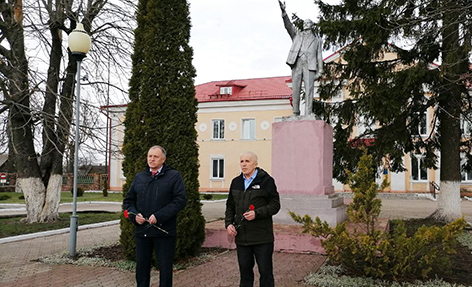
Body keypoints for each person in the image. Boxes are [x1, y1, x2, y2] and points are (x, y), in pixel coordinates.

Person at [124, 145, 186, 287]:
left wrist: (159, 216)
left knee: (165, 270)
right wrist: (134, 216)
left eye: (155, 156)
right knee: (141, 269)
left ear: (163, 159)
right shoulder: (140, 177)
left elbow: (179, 201)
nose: (151, 159)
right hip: (142, 232)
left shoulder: (174, 176)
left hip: (164, 232)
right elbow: (128, 201)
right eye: (149, 156)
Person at [225, 151, 281, 287]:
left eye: (247, 161)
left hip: (262, 237)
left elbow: (275, 205)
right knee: (245, 274)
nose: (244, 164)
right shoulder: (236, 182)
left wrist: (257, 213)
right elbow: (230, 206)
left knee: (266, 273)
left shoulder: (266, 181)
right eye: (242, 161)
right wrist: (228, 224)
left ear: (255, 164)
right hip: (242, 238)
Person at [279, 0, 323, 116]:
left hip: (310, 65)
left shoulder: (317, 40)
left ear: (311, 25)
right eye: (304, 23)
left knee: (309, 90)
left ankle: (308, 113)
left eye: (307, 23)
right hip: (297, 63)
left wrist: (320, 70)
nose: (305, 24)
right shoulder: (297, 35)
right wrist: (284, 12)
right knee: (296, 88)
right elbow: (288, 26)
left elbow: (319, 55)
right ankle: (295, 112)